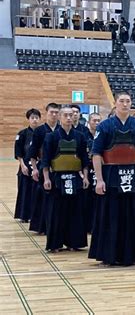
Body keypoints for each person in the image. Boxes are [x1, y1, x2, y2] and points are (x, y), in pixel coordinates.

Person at [88, 91, 135, 266]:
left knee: (134, 216)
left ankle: (134, 254)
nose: (125, 104)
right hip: (110, 176)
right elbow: (96, 154)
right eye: (122, 101)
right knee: (111, 215)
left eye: (128, 101)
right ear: (115, 104)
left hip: (133, 175)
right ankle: (109, 254)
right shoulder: (105, 126)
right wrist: (99, 179)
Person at [42, 105, 89, 252]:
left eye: (71, 115)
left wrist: (85, 177)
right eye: (66, 115)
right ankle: (55, 244)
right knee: (56, 212)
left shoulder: (80, 136)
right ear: (60, 117)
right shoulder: (51, 137)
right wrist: (46, 179)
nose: (69, 118)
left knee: (75, 211)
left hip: (75, 178)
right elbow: (45, 160)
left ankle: (74, 242)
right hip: (57, 178)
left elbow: (85, 160)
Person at [27, 102, 60, 234]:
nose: (54, 115)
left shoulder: (61, 129)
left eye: (56, 112)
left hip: (59, 168)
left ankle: (56, 225)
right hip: (43, 166)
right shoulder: (39, 131)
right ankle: (42, 226)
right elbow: (33, 151)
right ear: (47, 113)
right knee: (43, 196)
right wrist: (34, 169)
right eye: (51, 112)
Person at [14, 108, 41, 223]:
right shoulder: (22, 134)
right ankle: (24, 215)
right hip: (25, 166)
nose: (35, 120)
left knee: (37, 191)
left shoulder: (43, 133)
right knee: (25, 191)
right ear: (28, 119)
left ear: (40, 119)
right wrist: (22, 165)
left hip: (38, 166)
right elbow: (18, 151)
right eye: (32, 118)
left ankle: (35, 216)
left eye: (36, 118)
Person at [84, 112, 101, 234]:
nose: (96, 123)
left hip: (100, 171)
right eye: (94, 120)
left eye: (98, 120)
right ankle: (88, 226)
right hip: (88, 170)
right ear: (89, 122)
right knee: (88, 199)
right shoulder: (83, 135)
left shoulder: (104, 135)